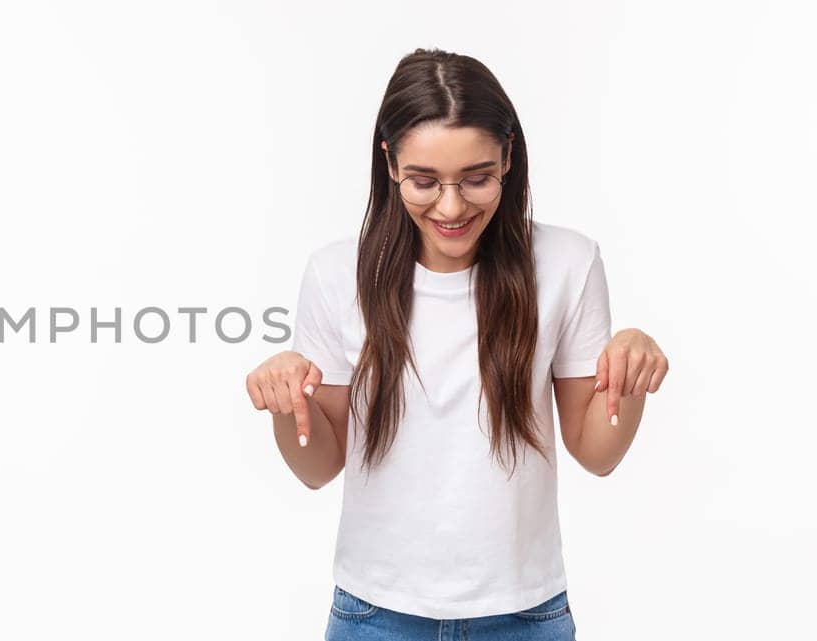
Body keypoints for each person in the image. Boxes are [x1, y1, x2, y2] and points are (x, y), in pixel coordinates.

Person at [244, 48, 670, 640]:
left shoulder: (567, 263)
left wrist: (631, 369)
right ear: (389, 163)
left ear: (509, 159)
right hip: (376, 614)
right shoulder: (336, 274)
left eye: (477, 178)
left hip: (525, 613)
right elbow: (318, 466)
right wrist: (289, 401)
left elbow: (597, 452)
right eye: (425, 181)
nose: (452, 206)